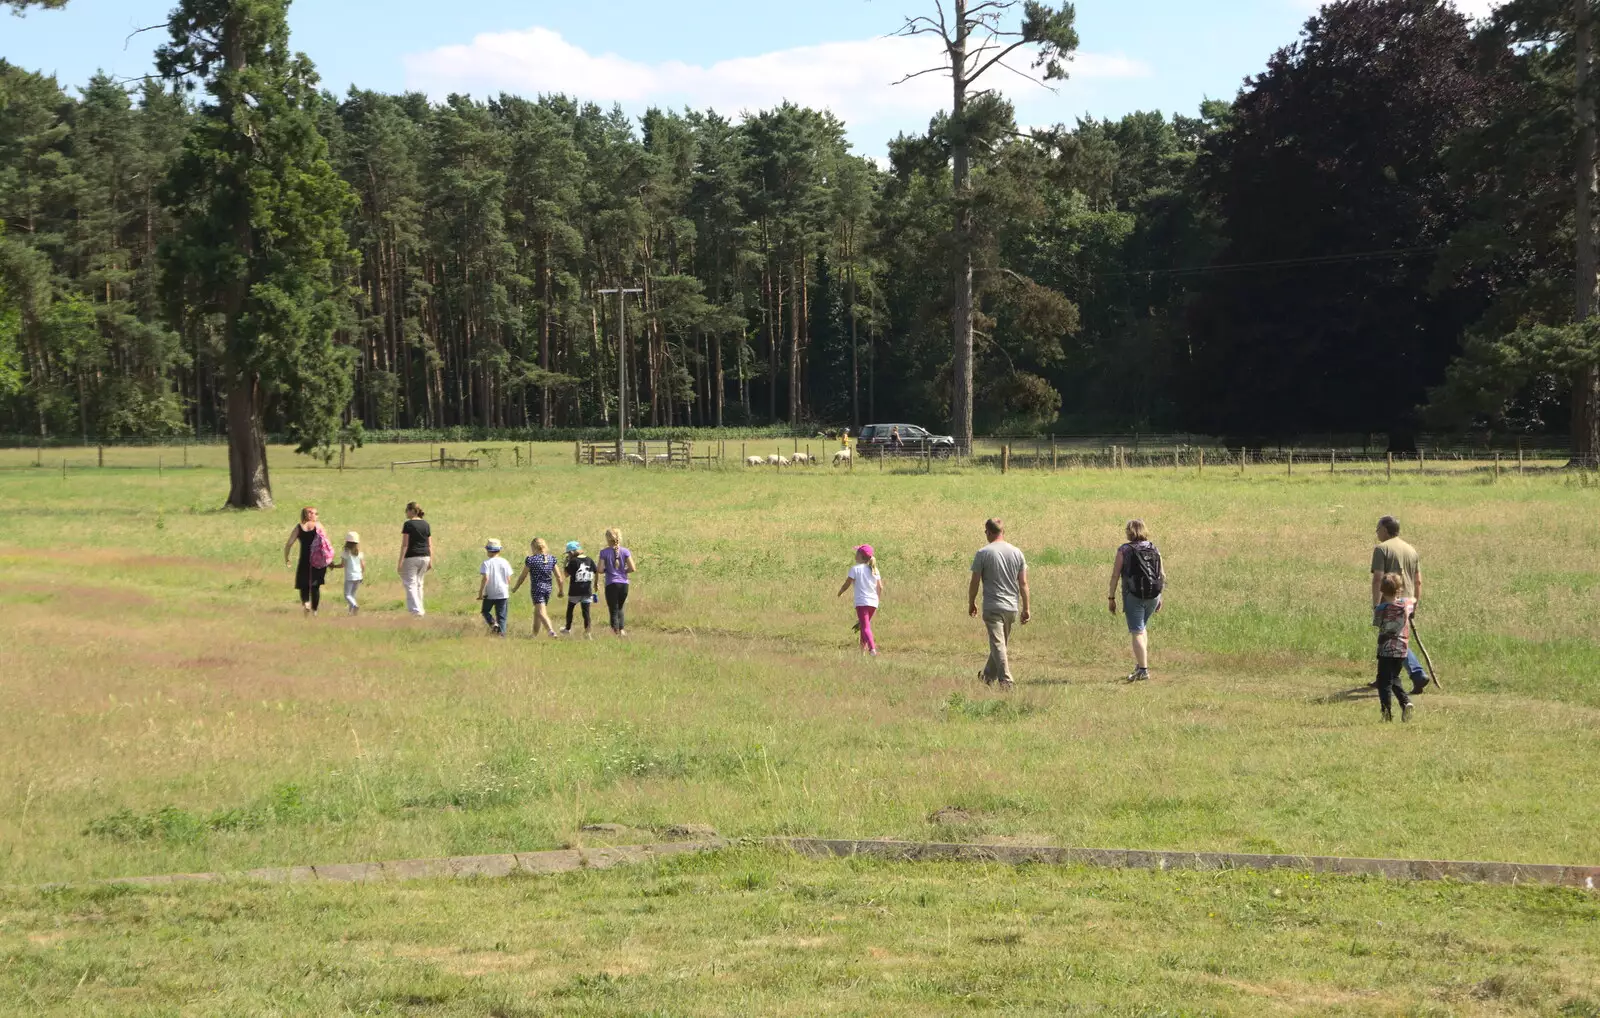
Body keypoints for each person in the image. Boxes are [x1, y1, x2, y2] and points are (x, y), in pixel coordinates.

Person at [968, 518, 1030, 690]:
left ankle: (1006, 680)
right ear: (1003, 531)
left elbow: (975, 581)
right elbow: (1023, 583)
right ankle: (987, 677)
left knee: (998, 644)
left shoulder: (983, 553)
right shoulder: (1017, 552)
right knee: (1000, 644)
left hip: (992, 605)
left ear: (988, 532)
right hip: (1011, 607)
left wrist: (971, 602)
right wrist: (1026, 607)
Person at [1370, 515, 1428, 694]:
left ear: (1386, 530)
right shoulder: (1411, 549)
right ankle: (1383, 678)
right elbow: (1418, 581)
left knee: (1392, 640)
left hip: (1389, 601)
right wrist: (1415, 603)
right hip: (1408, 601)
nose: (1377, 532)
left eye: (1378, 529)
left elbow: (1378, 578)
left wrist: (1376, 605)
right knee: (1392, 638)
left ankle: (1417, 674)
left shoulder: (1381, 549)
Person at [1109, 519, 1165, 683]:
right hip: (1153, 595)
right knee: (1142, 629)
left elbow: (1115, 575)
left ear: (1129, 532)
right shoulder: (1154, 548)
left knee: (1137, 631)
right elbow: (1162, 575)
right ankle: (1141, 664)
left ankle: (1143, 670)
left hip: (1133, 595)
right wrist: (1159, 596)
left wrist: (1111, 597)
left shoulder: (1124, 550)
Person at [1373, 573, 1416, 722]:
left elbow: (1377, 623)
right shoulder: (1406, 604)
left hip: (1385, 649)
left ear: (1382, 590)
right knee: (1394, 677)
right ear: (1399, 589)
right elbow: (1413, 601)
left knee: (1383, 681)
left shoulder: (1381, 609)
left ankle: (1386, 713)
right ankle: (1405, 702)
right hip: (1402, 649)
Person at [282, 506, 331, 618]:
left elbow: (289, 544)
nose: (317, 516)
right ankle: (314, 611)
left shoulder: (299, 527)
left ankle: (306, 603)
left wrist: (287, 558)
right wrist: (329, 560)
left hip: (304, 559)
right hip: (317, 560)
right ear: (309, 514)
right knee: (315, 585)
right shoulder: (318, 526)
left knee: (303, 584)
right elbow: (326, 543)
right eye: (315, 513)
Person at [837, 544, 883, 655]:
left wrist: (840, 592)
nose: (855, 554)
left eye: (857, 552)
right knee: (863, 626)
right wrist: (877, 599)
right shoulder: (874, 569)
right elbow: (880, 587)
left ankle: (872, 649)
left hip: (862, 602)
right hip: (873, 602)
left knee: (865, 627)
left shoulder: (855, 569)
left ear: (860, 556)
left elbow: (847, 584)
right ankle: (862, 651)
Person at [511, 538, 563, 638]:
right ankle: (534, 635)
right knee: (537, 613)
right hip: (548, 589)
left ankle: (550, 631)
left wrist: (515, 588)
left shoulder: (531, 560)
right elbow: (559, 576)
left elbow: (523, 576)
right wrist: (560, 590)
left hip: (537, 589)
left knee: (541, 612)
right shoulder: (551, 559)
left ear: (534, 548)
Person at [598, 528, 638, 637]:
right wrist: (623, 571)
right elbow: (633, 568)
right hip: (624, 583)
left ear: (607, 539)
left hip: (611, 583)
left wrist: (608, 569)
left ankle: (615, 631)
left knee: (613, 608)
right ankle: (622, 630)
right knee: (620, 607)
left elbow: (600, 570)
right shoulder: (625, 551)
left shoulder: (604, 552)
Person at [398, 502, 435, 617]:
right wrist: (431, 560)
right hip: (425, 556)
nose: (406, 513)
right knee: (419, 583)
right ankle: (420, 608)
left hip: (412, 556)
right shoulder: (426, 524)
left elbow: (405, 544)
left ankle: (416, 610)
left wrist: (400, 561)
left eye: (407, 510)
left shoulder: (408, 524)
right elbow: (430, 544)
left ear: (412, 511)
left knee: (410, 584)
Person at [562, 540, 599, 639]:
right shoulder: (589, 560)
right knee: (586, 613)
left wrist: (565, 564)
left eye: (568, 553)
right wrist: (596, 584)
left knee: (570, 610)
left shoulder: (573, 561)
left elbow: (565, 575)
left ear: (572, 552)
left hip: (575, 591)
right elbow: (596, 572)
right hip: (587, 591)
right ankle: (588, 632)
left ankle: (567, 628)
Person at [478, 538, 512, 637]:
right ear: (499, 550)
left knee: (485, 611)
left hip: (490, 593)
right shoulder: (505, 562)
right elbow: (508, 579)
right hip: (503, 593)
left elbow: (485, 578)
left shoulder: (486, 563)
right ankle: (502, 635)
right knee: (502, 616)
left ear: (488, 550)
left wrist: (481, 592)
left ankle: (493, 624)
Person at [330, 531, 364, 616]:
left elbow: (342, 565)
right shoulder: (359, 553)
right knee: (352, 595)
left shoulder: (346, 552)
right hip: (358, 576)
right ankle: (350, 613)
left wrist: (334, 566)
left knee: (347, 595)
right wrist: (361, 574)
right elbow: (363, 565)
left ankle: (354, 605)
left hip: (350, 577)